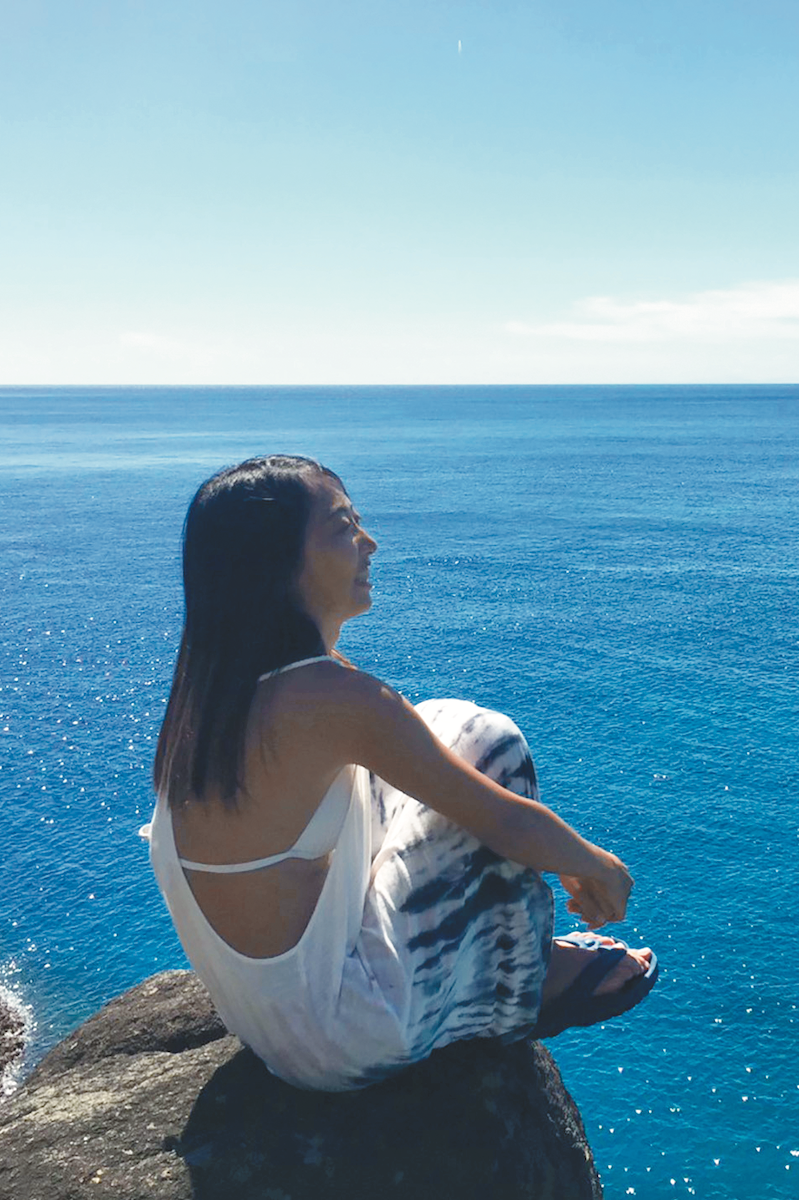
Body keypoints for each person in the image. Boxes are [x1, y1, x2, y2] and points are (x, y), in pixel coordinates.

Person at [144, 455, 657, 1090]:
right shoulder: (326, 699)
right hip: (345, 1037)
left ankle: (513, 962)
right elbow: (497, 817)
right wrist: (597, 866)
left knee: (445, 725)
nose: (369, 542)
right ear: (277, 562)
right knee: (493, 749)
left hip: (271, 1023)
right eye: (342, 526)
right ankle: (525, 983)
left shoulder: (212, 698)